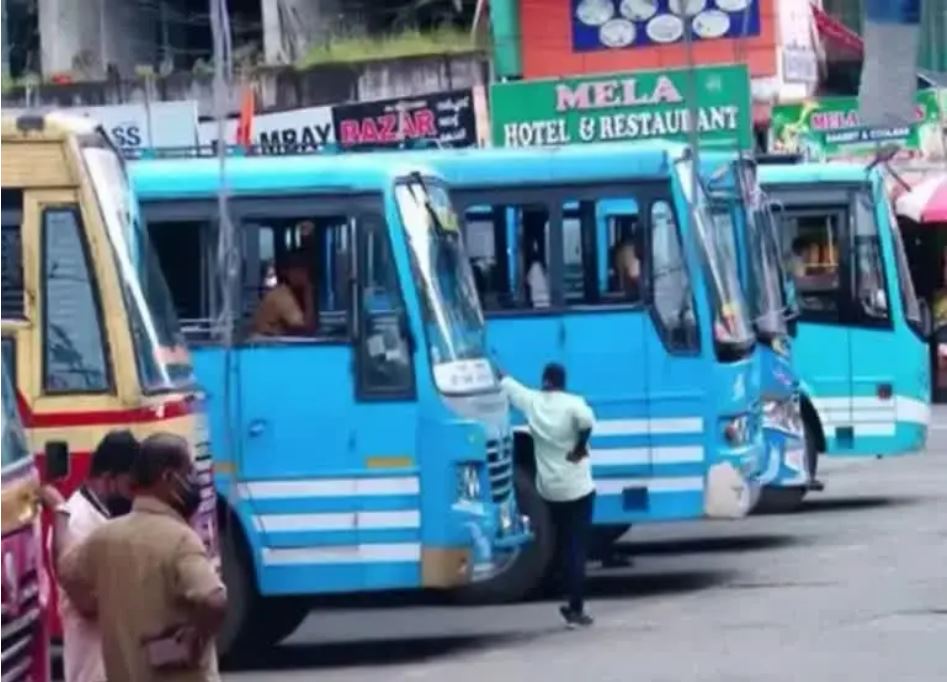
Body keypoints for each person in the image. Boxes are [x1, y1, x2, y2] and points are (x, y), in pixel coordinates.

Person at [57, 433, 227, 682]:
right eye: (189, 472)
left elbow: (67, 572)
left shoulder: (104, 537)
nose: (194, 481)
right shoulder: (180, 540)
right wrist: (195, 634)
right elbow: (214, 600)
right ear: (168, 478)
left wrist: (61, 514)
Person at [499, 362, 596, 628]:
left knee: (561, 543)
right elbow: (587, 421)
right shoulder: (573, 403)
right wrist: (579, 447)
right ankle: (576, 608)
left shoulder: (533, 402)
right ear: (563, 381)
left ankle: (562, 590)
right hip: (579, 489)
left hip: (550, 491)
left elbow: (508, 383)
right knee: (578, 547)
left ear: (544, 380)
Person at [40, 430, 140, 682]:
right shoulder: (78, 523)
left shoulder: (105, 517)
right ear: (108, 479)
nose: (134, 494)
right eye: (130, 486)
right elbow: (89, 601)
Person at [252, 250, 316, 337]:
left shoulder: (292, 294)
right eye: (297, 271)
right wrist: (308, 294)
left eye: (304, 272)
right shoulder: (281, 296)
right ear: (286, 273)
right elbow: (306, 329)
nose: (301, 276)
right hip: (267, 344)